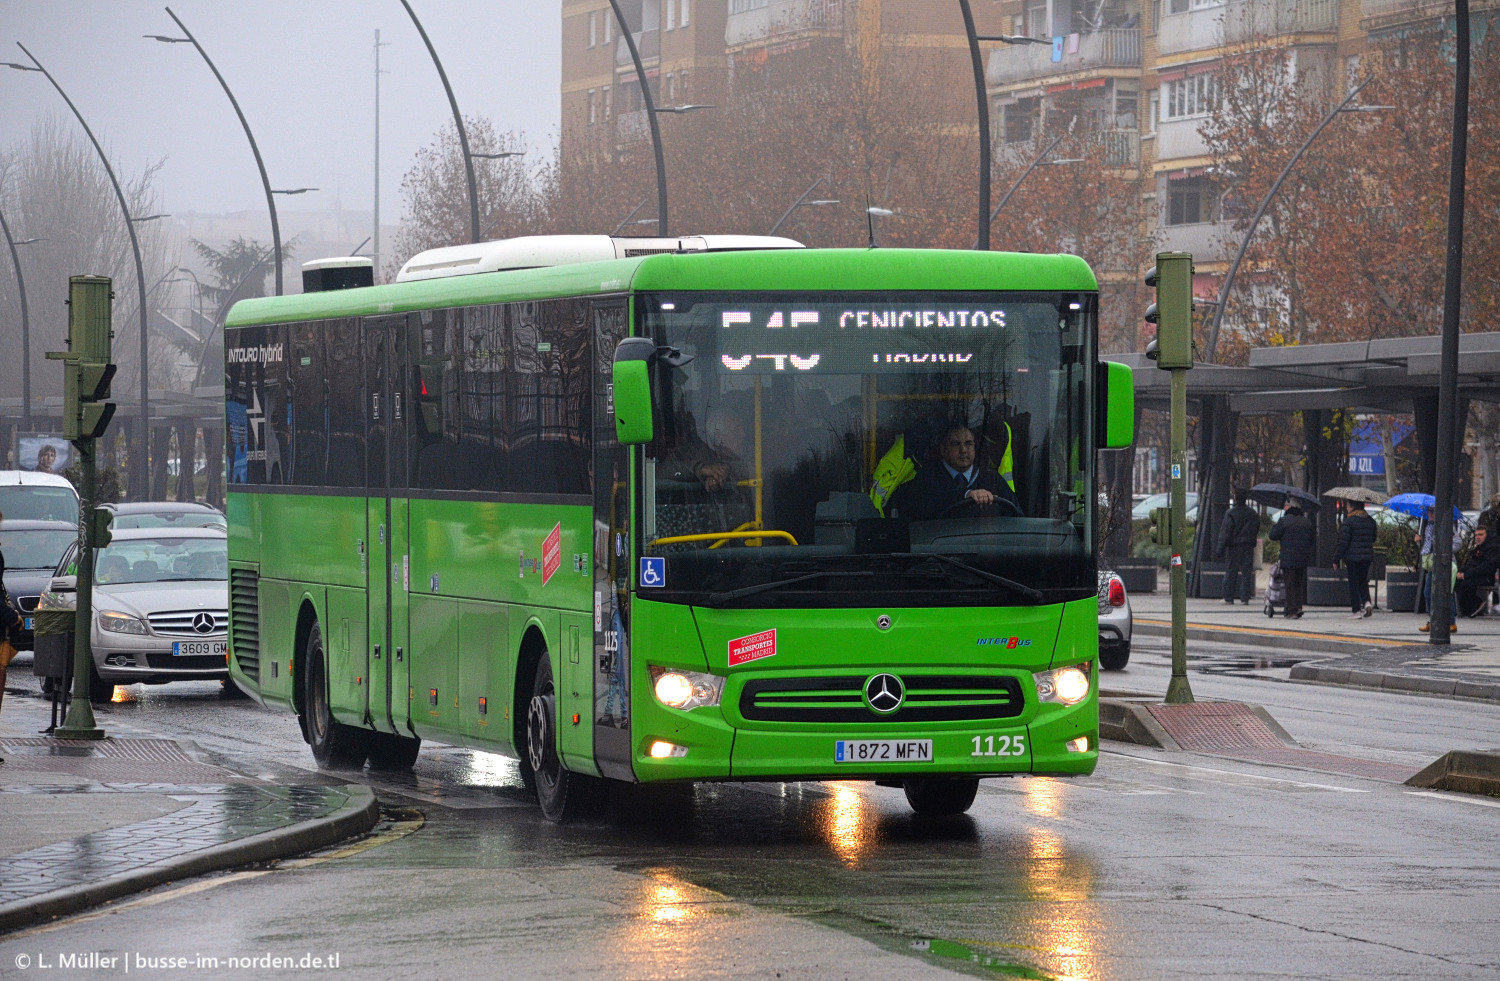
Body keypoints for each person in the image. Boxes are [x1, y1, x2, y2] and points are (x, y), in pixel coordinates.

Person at [893, 423, 1020, 521]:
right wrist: (966, 495)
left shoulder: (992, 479)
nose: (963, 450)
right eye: (955, 444)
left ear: (975, 448)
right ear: (943, 449)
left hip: (984, 550)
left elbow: (1016, 517)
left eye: (968, 443)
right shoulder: (926, 478)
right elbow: (919, 509)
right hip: (940, 551)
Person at [1416, 508, 1463, 633]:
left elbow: (1458, 543)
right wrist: (1419, 542)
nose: (1430, 514)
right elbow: (1427, 547)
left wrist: (1444, 550)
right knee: (1427, 592)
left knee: (1446, 592)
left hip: (1445, 564)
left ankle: (1451, 622)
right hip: (1432, 564)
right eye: (1429, 512)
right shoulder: (1428, 527)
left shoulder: (1446, 526)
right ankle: (1433, 620)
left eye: (1433, 511)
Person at [1268, 498, 1315, 618]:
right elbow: (1312, 540)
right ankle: (1298, 607)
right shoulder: (1307, 522)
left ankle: (1292, 610)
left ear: (1290, 507)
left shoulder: (1284, 521)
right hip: (1302, 558)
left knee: (1289, 584)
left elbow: (1272, 535)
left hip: (1288, 558)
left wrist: (1278, 523)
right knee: (1298, 584)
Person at [1331, 501, 1378, 619]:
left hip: (1352, 558)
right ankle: (1367, 602)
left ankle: (1356, 610)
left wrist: (1336, 559)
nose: (1346, 509)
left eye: (1347, 506)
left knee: (1353, 583)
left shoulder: (1349, 522)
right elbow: (1373, 538)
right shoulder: (1370, 521)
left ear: (1352, 507)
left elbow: (1343, 543)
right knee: (1363, 581)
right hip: (1367, 557)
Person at [1217, 491, 1260, 605]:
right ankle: (1245, 597)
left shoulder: (1230, 513)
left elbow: (1226, 531)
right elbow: (1256, 529)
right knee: (1247, 572)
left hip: (1234, 546)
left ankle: (1228, 597)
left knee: (1231, 571)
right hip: (1248, 546)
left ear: (1235, 498)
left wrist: (1220, 548)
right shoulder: (1253, 514)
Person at [1457, 524, 1499, 617]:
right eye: (1476, 535)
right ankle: (1464, 609)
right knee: (1457, 582)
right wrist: (1461, 571)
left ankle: (1475, 605)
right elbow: (1471, 563)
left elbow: (1487, 567)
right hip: (1475, 575)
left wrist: (1467, 574)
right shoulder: (1477, 549)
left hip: (1487, 577)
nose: (1477, 537)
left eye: (1480, 535)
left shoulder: (1492, 549)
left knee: (1467, 583)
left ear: (1486, 535)